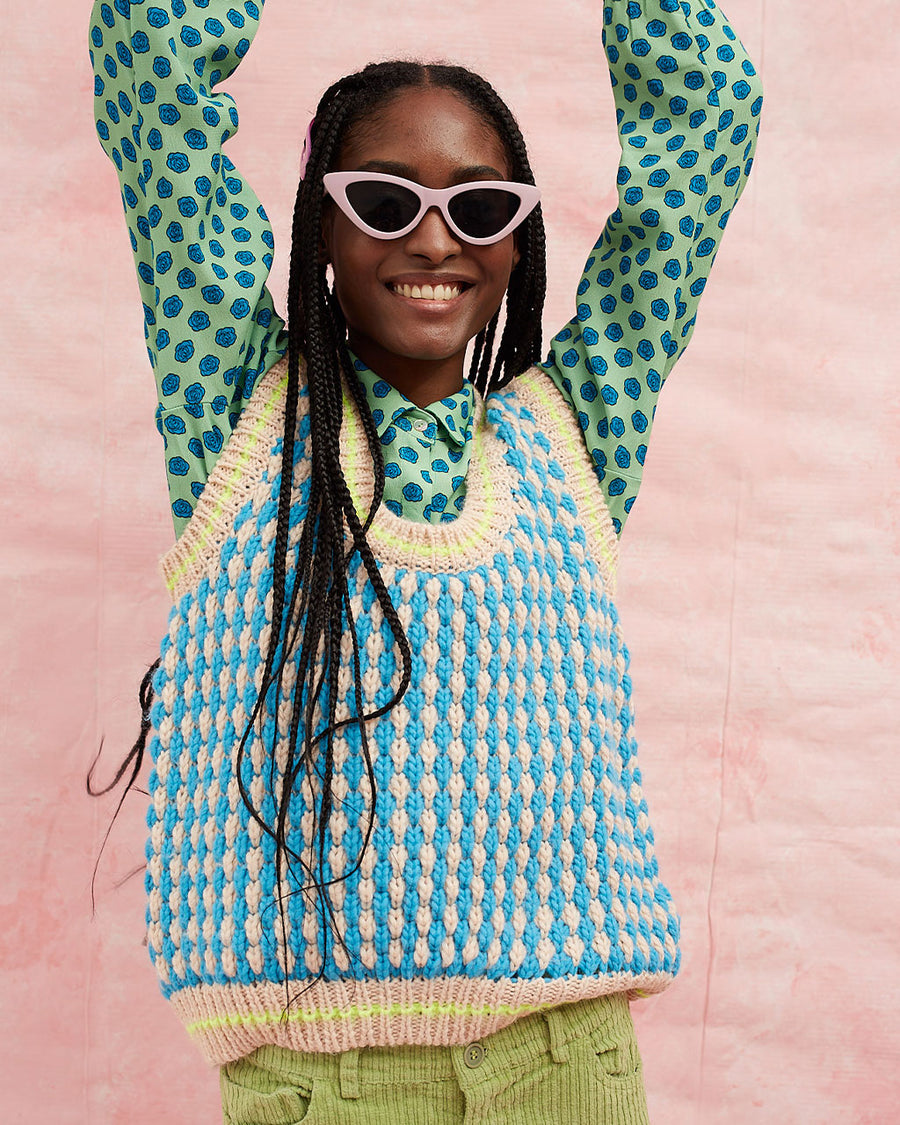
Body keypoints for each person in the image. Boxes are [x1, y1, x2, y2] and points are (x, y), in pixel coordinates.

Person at [89, 1, 762, 1121]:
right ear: (323, 226)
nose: (437, 239)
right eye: (387, 202)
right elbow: (148, 61)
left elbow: (711, 117)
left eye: (481, 205)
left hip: (569, 1071)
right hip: (327, 1086)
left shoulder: (572, 435)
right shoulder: (241, 424)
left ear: (517, 237)